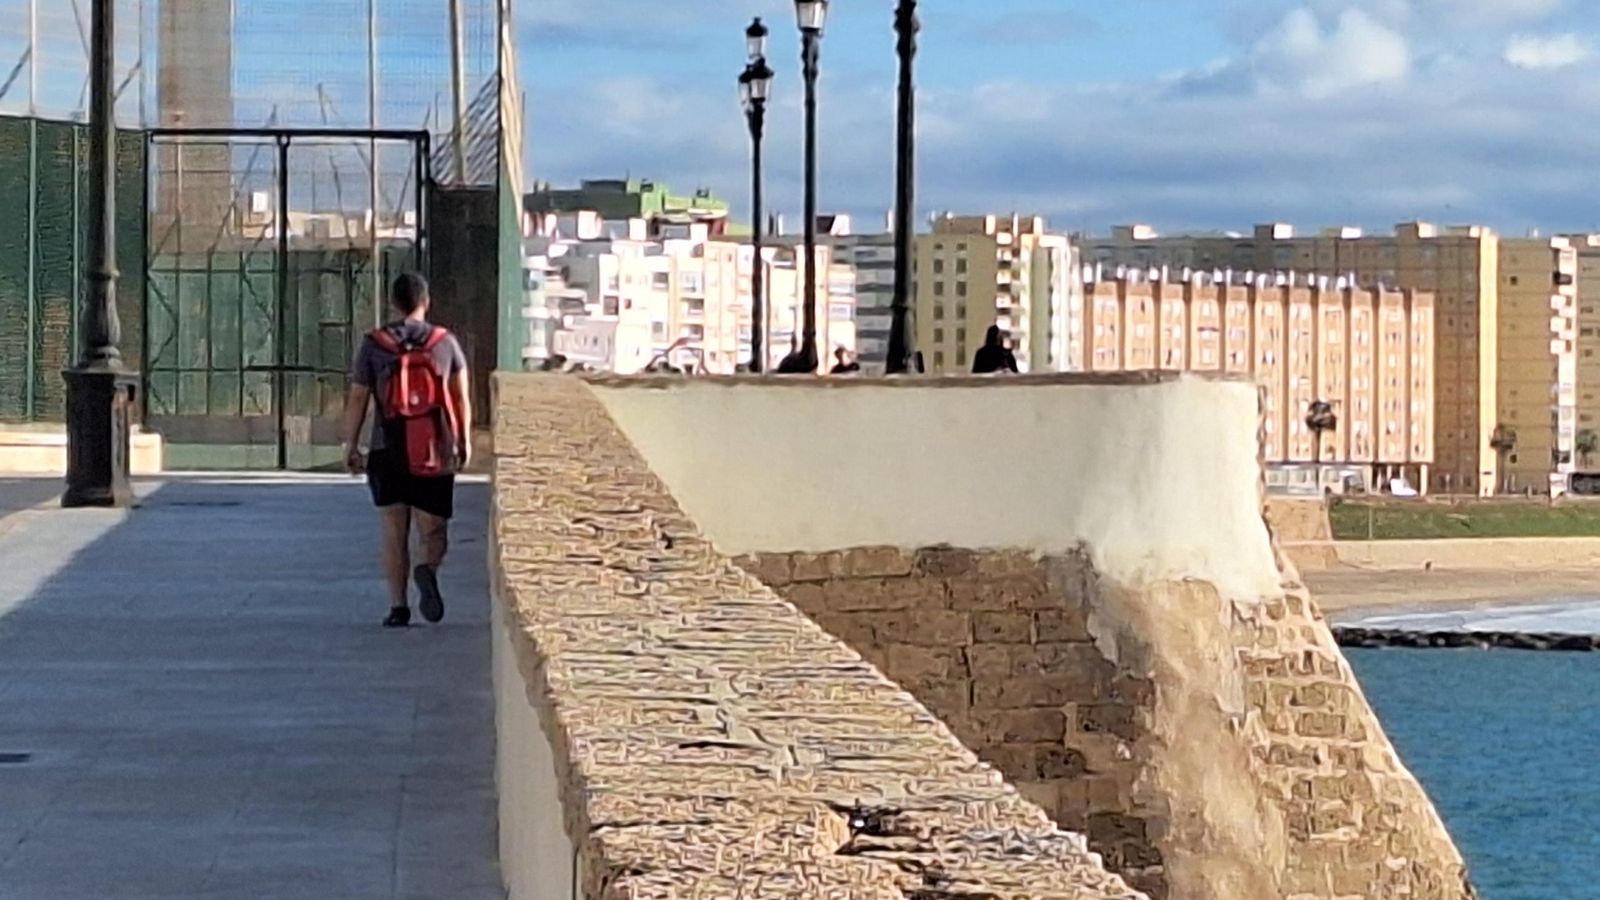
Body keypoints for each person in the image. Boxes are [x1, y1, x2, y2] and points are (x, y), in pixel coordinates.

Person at [343, 273, 472, 628]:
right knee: (434, 528)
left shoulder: (374, 344)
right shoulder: (445, 343)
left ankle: (398, 607)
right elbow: (461, 397)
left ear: (393, 303)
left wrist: (351, 444)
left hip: (388, 448)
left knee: (393, 529)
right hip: (434, 448)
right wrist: (463, 441)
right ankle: (427, 567)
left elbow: (358, 398)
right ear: (426, 302)